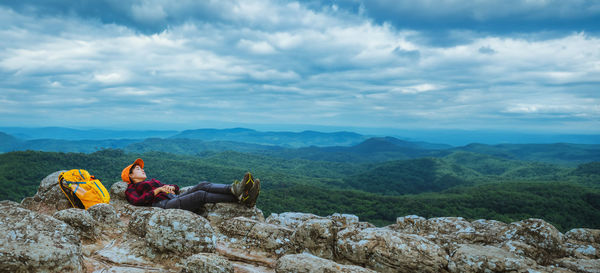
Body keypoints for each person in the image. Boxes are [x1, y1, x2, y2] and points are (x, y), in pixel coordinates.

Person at [121, 158, 260, 210]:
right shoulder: (131, 189)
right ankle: (241, 197)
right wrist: (157, 191)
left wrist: (171, 188)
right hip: (163, 205)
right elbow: (137, 202)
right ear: (131, 176)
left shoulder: (153, 181)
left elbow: (176, 187)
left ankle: (235, 189)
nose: (142, 169)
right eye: (138, 169)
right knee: (200, 195)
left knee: (203, 184)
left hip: (173, 198)